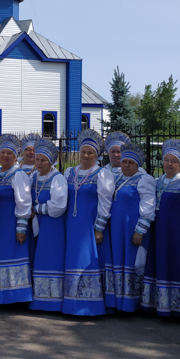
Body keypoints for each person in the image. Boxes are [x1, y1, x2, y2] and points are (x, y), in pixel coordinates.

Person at [141, 138, 180, 319]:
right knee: (159, 263)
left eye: (174, 161)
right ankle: (158, 305)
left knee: (176, 264)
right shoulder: (157, 182)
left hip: (176, 233)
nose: (170, 164)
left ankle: (179, 308)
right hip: (159, 232)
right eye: (167, 160)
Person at [62, 129, 114, 317]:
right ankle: (71, 304)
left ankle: (89, 306)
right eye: (83, 151)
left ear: (96, 155)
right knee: (71, 260)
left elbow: (105, 202)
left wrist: (99, 228)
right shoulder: (69, 172)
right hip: (71, 224)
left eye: (90, 152)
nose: (85, 155)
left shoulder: (102, 174)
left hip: (88, 226)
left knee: (86, 262)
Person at [107, 143, 155, 312]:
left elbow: (149, 207)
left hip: (132, 230)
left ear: (137, 165)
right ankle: (119, 302)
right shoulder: (117, 178)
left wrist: (140, 230)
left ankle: (132, 303)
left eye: (131, 163)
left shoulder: (144, 180)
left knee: (132, 263)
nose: (126, 165)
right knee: (118, 261)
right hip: (117, 229)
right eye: (124, 162)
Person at [0, 135, 32, 305]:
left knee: (11, 255)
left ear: (16, 156)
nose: (5, 155)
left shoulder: (19, 174)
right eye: (3, 152)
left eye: (9, 153)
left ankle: (15, 297)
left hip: (10, 223)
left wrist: (21, 228)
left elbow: (24, 202)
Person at [28, 138, 67, 312]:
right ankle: (39, 298)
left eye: (43, 160)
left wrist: (37, 209)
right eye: (37, 159)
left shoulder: (57, 178)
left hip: (52, 225)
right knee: (38, 258)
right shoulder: (33, 176)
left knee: (50, 259)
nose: (39, 163)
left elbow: (58, 206)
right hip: (38, 224)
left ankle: (53, 301)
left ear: (51, 162)